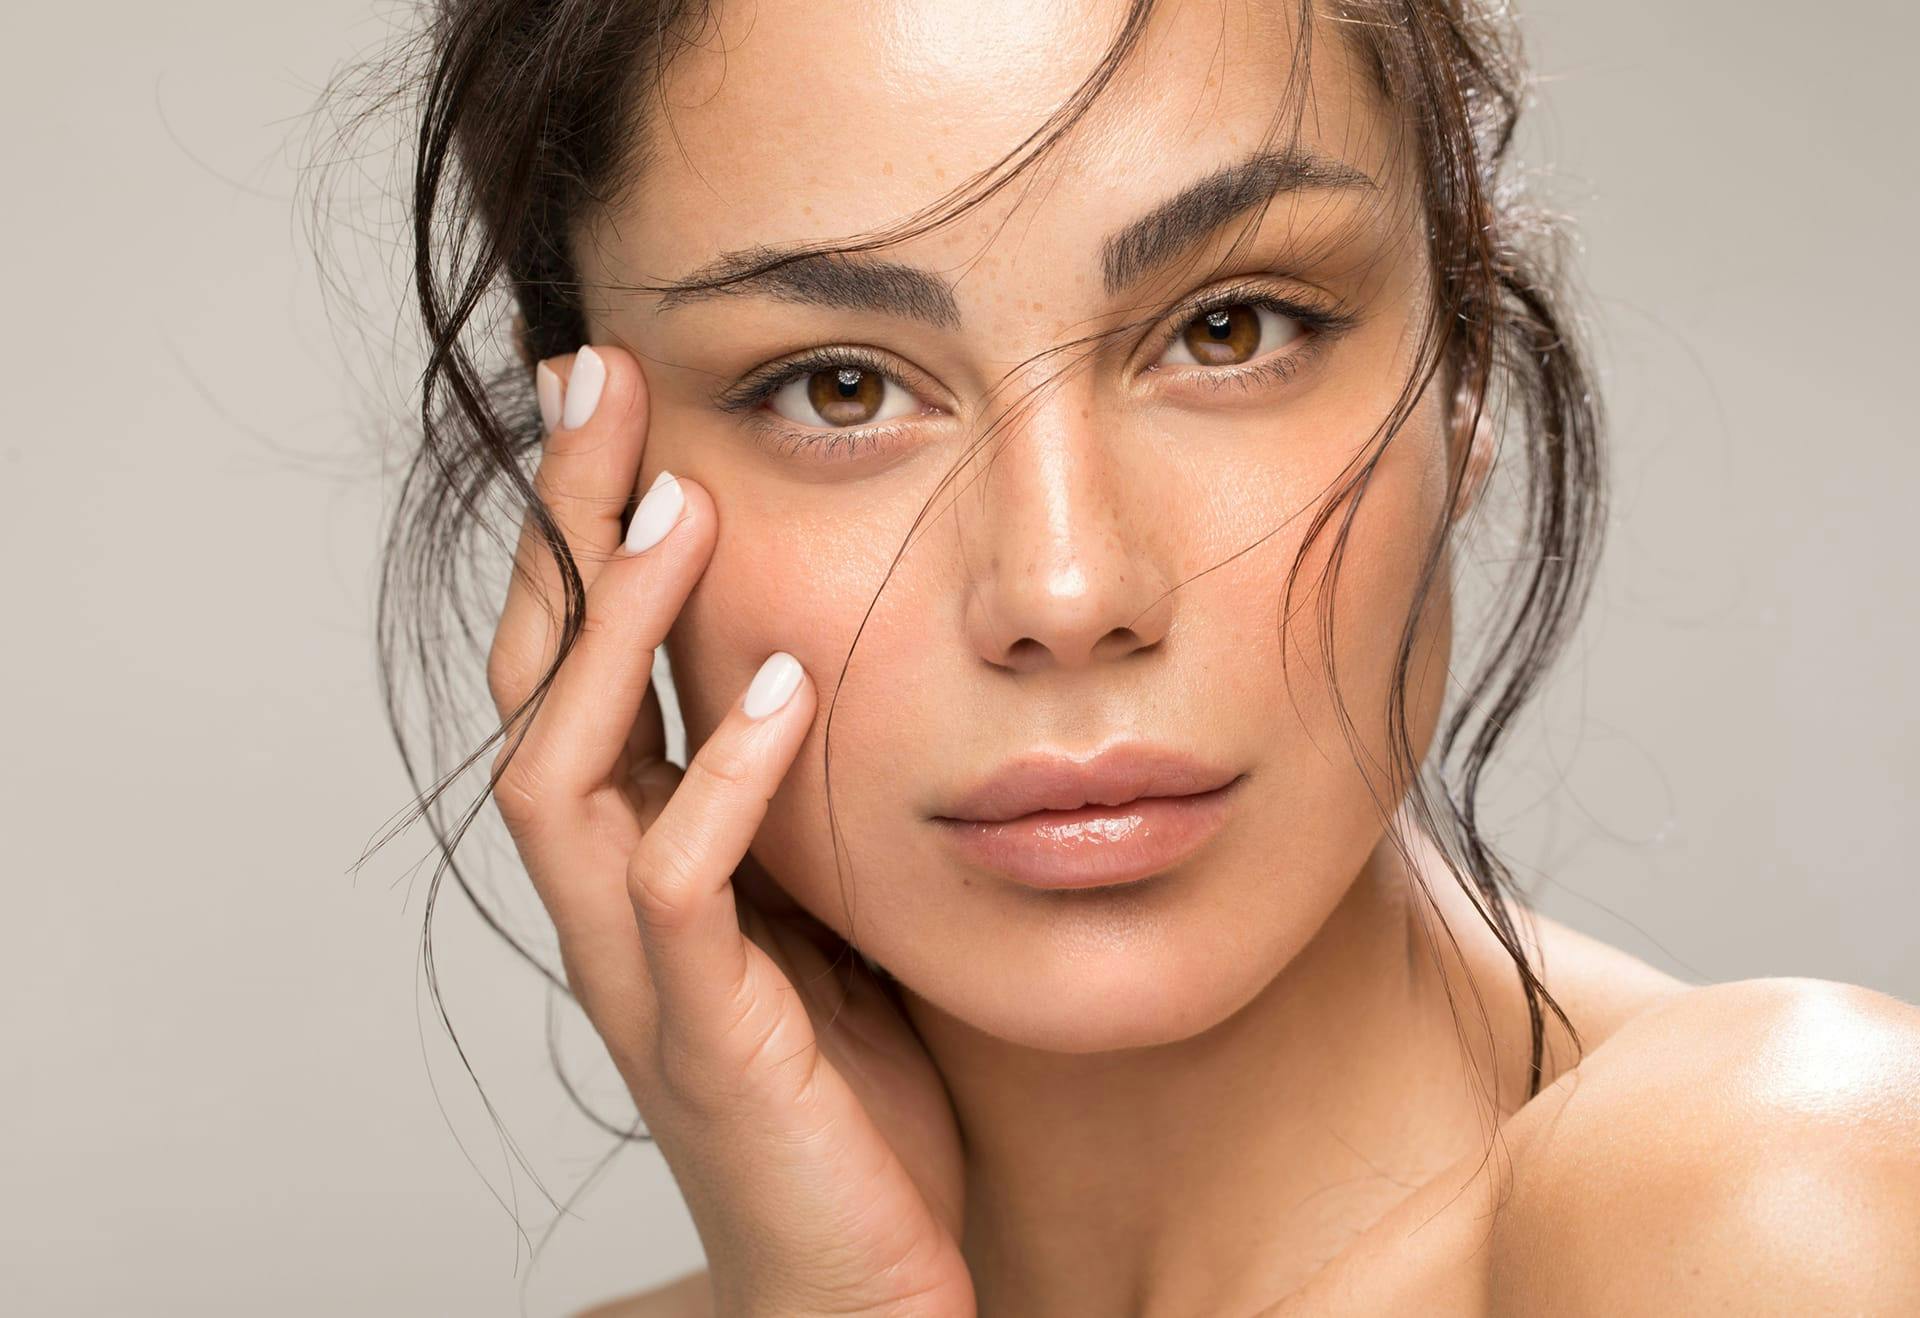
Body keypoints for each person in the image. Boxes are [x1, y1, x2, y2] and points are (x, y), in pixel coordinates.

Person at [354, 0, 1920, 1312]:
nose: (1066, 584)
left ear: (1463, 364)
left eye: (1230, 328)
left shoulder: (1780, 1207)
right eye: (837, 387)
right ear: (595, 490)